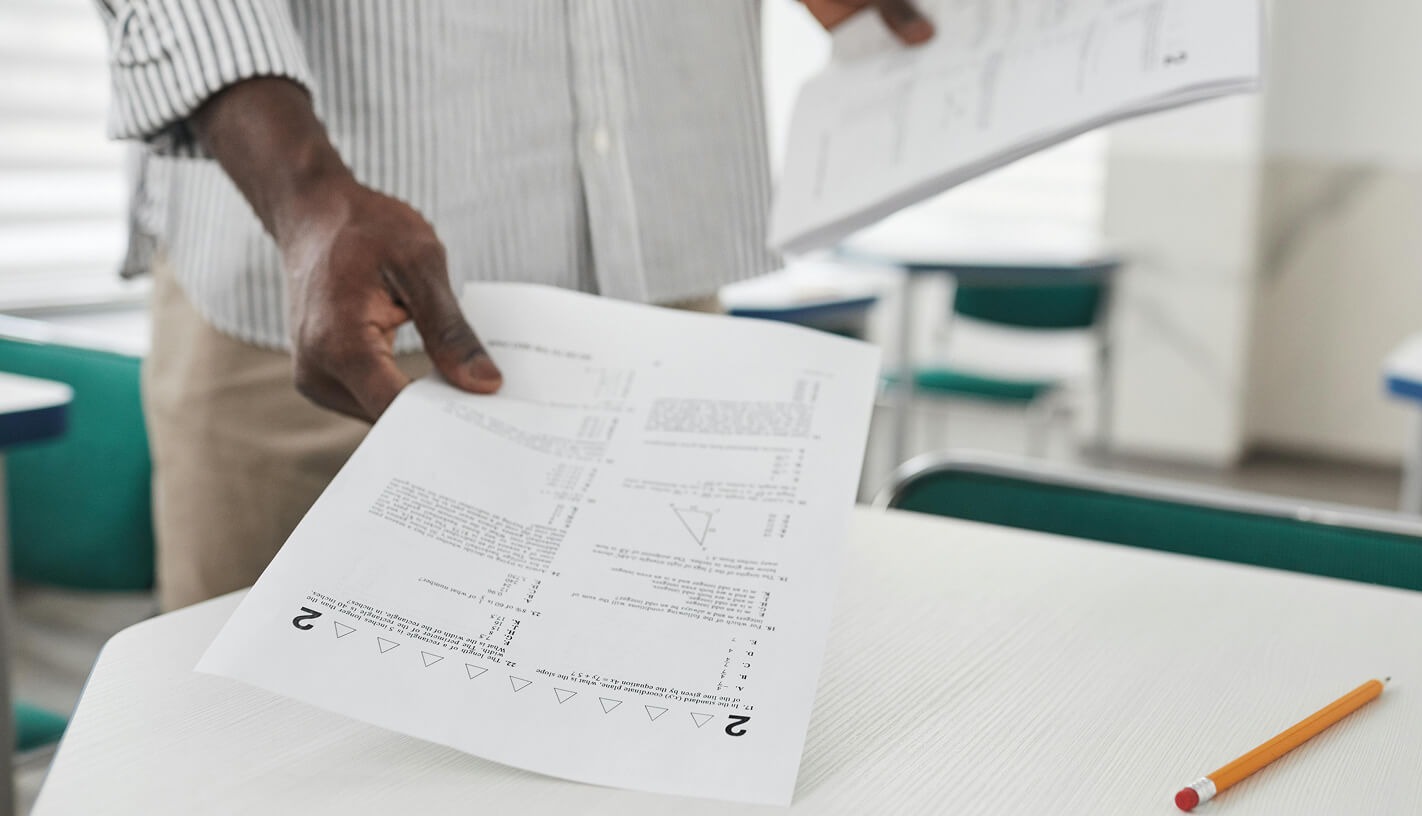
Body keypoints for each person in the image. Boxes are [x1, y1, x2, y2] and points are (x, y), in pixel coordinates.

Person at [97, 0, 932, 612]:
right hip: (336, 303)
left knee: (630, 779)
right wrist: (304, 191)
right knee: (256, 778)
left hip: (660, 286)